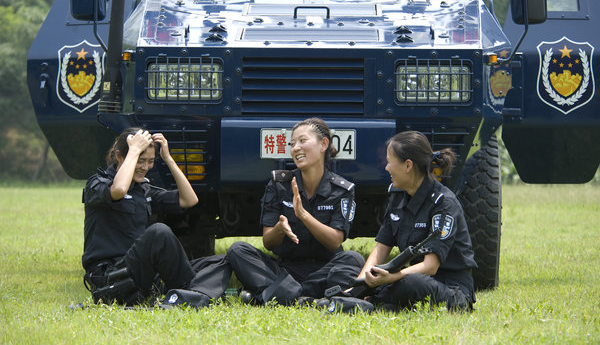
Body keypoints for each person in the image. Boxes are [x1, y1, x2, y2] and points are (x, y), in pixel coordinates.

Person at [82, 128, 231, 306]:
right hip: (113, 276)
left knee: (221, 260)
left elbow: (190, 199)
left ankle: (190, 291)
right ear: (120, 156)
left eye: (150, 161)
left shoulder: (144, 189)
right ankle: (192, 291)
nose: (145, 167)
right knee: (159, 232)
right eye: (140, 160)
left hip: (143, 271)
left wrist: (168, 159)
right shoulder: (97, 184)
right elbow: (119, 190)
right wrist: (134, 150)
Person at [227, 118, 364, 305]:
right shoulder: (279, 184)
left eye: (302, 141)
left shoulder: (342, 189)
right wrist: (279, 229)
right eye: (292, 144)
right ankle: (305, 296)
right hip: (286, 269)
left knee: (353, 259)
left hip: (325, 268)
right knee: (238, 250)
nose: (296, 148)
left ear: (324, 144)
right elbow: (268, 242)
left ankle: (280, 294)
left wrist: (304, 216)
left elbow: (334, 242)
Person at [356, 131, 477, 312]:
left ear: (408, 165)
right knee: (346, 267)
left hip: (449, 288)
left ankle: (381, 300)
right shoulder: (398, 195)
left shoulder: (444, 203)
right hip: (411, 279)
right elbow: (381, 248)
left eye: (390, 161)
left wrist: (390, 278)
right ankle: (376, 300)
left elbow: (430, 266)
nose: (386, 167)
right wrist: (362, 282)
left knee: (409, 282)